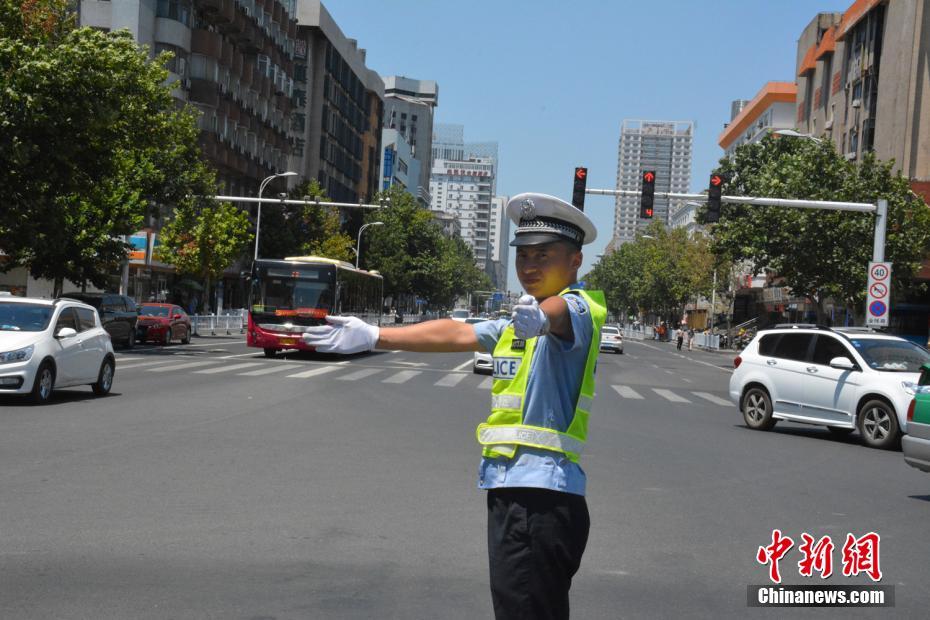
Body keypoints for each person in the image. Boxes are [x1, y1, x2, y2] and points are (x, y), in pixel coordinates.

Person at [301, 193, 605, 619]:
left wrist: (542, 317)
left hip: (542, 499)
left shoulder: (578, 307)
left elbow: (560, 313)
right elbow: (457, 331)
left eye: (544, 255)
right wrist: (375, 335)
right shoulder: (516, 323)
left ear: (575, 262)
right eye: (523, 256)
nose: (529, 266)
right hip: (514, 493)